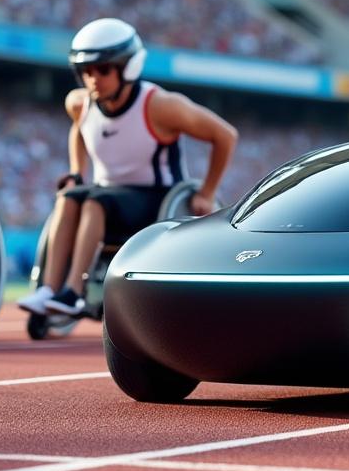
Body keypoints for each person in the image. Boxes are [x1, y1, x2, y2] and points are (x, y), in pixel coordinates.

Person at [17, 18, 238, 316]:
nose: (93, 78)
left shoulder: (161, 106)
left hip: (157, 199)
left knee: (95, 201)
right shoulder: (80, 104)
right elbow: (79, 130)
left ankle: (72, 292)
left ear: (128, 67)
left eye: (103, 69)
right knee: (68, 197)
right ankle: (48, 289)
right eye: (86, 71)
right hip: (110, 194)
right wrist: (76, 172)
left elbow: (225, 136)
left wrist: (208, 191)